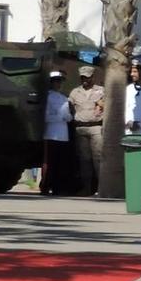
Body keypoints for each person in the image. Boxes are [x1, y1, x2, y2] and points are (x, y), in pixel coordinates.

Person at [69, 67, 105, 196]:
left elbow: (106, 106)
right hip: (81, 128)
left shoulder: (101, 91)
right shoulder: (75, 92)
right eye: (82, 77)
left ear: (92, 77)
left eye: (87, 77)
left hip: (96, 127)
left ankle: (102, 188)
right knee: (84, 160)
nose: (84, 80)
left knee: (98, 158)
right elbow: (69, 108)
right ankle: (86, 188)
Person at [40, 72, 71, 194]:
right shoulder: (47, 97)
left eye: (60, 81)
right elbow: (46, 116)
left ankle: (58, 187)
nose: (58, 84)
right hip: (51, 133)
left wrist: (68, 117)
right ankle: (45, 186)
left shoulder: (64, 98)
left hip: (63, 134)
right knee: (49, 162)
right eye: (56, 81)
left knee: (60, 163)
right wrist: (60, 117)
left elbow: (68, 116)